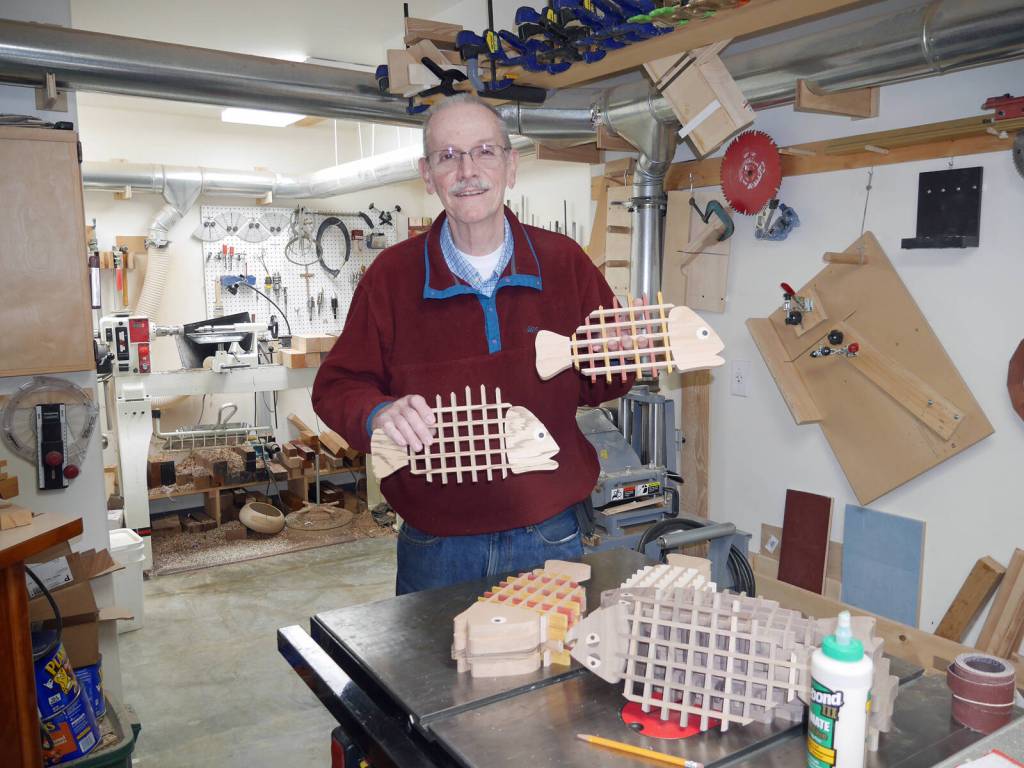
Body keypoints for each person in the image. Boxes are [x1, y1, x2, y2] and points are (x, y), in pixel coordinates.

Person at [312, 94, 638, 594]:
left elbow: (602, 384)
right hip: (436, 543)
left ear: (510, 166)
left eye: (485, 151)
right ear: (427, 174)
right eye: (449, 156)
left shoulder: (563, 263)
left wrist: (623, 353)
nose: (468, 170)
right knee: (429, 672)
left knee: (548, 671)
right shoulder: (391, 277)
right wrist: (378, 413)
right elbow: (337, 386)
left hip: (549, 532)